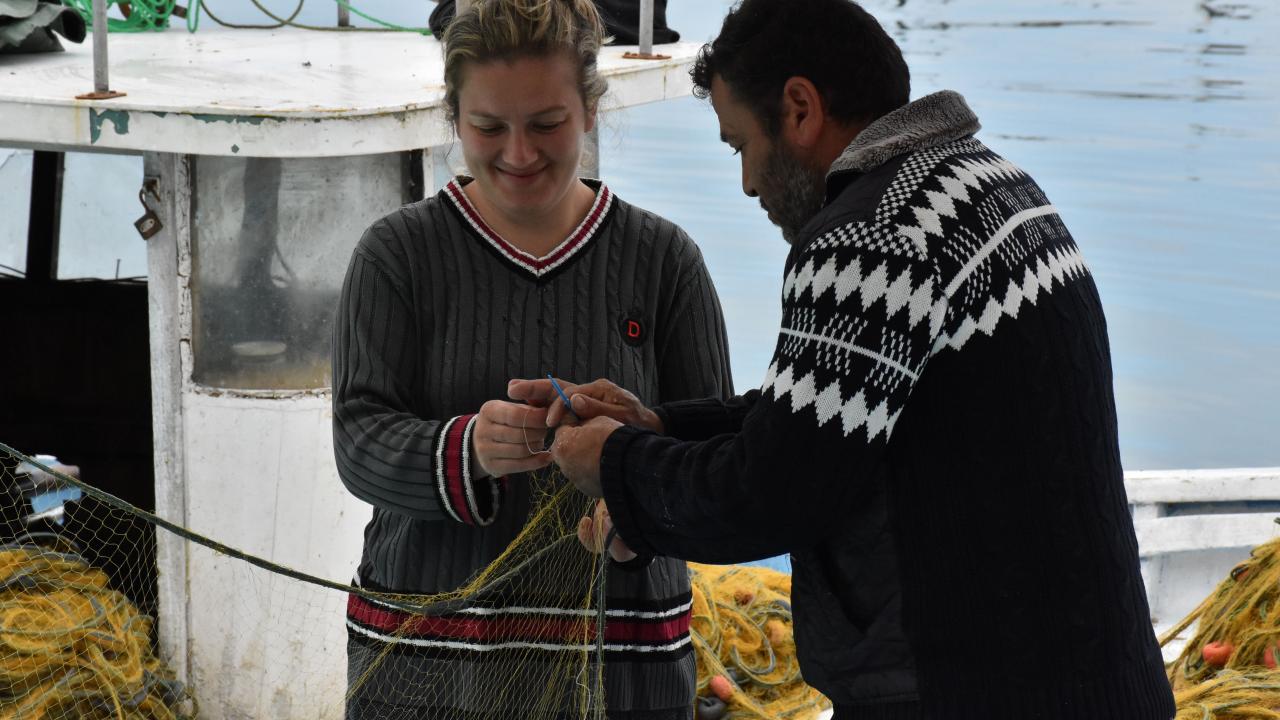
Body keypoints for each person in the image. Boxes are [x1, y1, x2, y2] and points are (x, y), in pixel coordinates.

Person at [520, 0, 1178, 717]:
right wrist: (657, 426)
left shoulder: (868, 238)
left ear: (800, 109)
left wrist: (615, 464)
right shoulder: (991, 186)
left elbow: (775, 492)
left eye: (740, 145)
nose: (747, 183)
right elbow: (825, 414)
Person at [330, 1, 732, 718]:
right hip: (428, 677)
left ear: (591, 110)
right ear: (454, 118)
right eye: (488, 127)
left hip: (624, 674)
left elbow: (718, 462)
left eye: (547, 124)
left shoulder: (665, 261)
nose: (518, 153)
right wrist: (469, 448)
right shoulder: (395, 256)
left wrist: (637, 500)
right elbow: (358, 440)